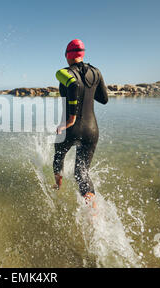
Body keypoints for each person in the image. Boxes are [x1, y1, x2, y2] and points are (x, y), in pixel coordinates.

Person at [53, 39, 108, 207]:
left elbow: (74, 85)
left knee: (58, 157)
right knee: (81, 173)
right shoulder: (96, 72)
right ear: (82, 54)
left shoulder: (63, 72)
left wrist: (71, 118)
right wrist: (90, 89)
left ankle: (57, 186)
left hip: (70, 128)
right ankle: (93, 208)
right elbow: (104, 99)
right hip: (92, 130)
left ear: (67, 56)